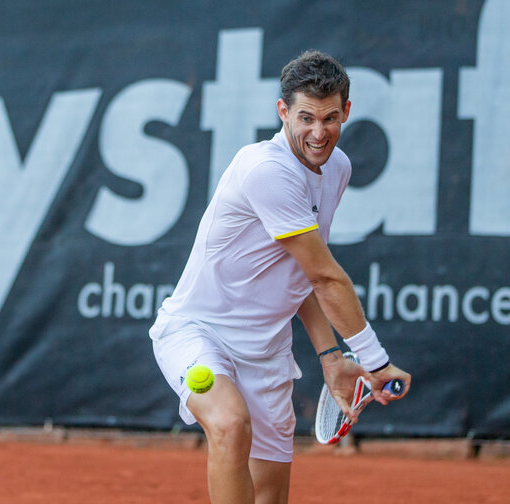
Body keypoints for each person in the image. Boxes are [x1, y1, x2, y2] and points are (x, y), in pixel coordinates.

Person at [149, 50, 411, 504]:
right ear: (282, 111)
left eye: (330, 118)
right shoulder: (266, 169)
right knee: (229, 424)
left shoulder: (338, 169)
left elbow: (301, 273)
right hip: (197, 332)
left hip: (267, 351)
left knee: (270, 496)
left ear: (346, 112)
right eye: (306, 117)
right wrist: (375, 361)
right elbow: (326, 277)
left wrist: (331, 357)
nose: (318, 132)